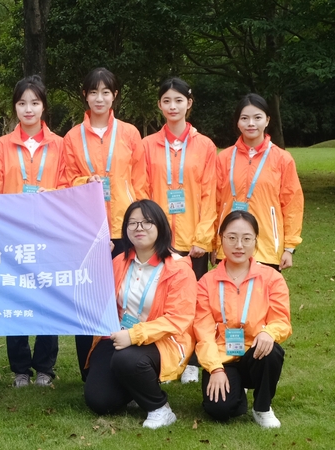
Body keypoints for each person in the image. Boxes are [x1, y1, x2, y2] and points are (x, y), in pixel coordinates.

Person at [63, 67, 148, 381]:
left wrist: (142, 225)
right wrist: (85, 181)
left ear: (115, 96)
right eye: (93, 92)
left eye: (106, 92)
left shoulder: (129, 133)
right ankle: (90, 372)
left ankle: (126, 368)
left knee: (125, 299)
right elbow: (64, 182)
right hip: (88, 230)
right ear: (85, 96)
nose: (100, 98)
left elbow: (141, 183)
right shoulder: (72, 137)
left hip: (126, 230)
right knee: (87, 300)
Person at [84, 199, 196, 429]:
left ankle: (160, 408)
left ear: (160, 226)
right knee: (99, 400)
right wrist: (97, 259)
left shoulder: (178, 268)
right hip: (120, 336)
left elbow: (178, 319)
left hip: (162, 339)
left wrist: (134, 336)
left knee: (127, 360)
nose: (139, 228)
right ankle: (136, 388)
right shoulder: (119, 261)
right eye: (133, 223)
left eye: (146, 222)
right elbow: (94, 295)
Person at [0, 75, 67, 387]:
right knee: (15, 299)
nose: (28, 109)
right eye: (22, 103)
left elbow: (68, 187)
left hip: (49, 235)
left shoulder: (60, 145)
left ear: (44, 106)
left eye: (34, 102)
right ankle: (20, 368)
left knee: (48, 298)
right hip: (13, 236)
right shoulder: (1, 146)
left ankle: (45, 367)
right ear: (15, 107)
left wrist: (52, 195)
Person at [142, 77, 218, 384]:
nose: (173, 106)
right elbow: (142, 191)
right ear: (159, 105)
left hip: (192, 241)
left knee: (195, 303)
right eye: (167, 101)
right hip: (160, 239)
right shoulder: (147, 145)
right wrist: (150, 234)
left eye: (178, 100)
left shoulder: (205, 146)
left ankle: (192, 361)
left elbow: (210, 195)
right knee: (160, 301)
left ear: (189, 103)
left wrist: (203, 238)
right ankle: (164, 356)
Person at [194, 210, 291, 428]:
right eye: (232, 237)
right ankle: (236, 393)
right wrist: (215, 368)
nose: (239, 245)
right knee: (219, 410)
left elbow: (281, 320)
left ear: (256, 241)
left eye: (246, 238)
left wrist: (269, 332)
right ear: (221, 239)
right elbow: (203, 332)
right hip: (222, 357)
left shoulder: (272, 278)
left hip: (255, 353)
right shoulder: (206, 282)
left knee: (272, 351)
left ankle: (262, 407)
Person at [213, 93, 303, 271]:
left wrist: (289, 247)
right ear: (237, 122)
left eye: (257, 117)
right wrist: (214, 243)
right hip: (229, 246)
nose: (251, 123)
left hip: (267, 247)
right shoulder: (224, 158)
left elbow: (292, 204)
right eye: (244, 118)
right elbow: (214, 203)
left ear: (267, 120)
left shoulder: (282, 159)